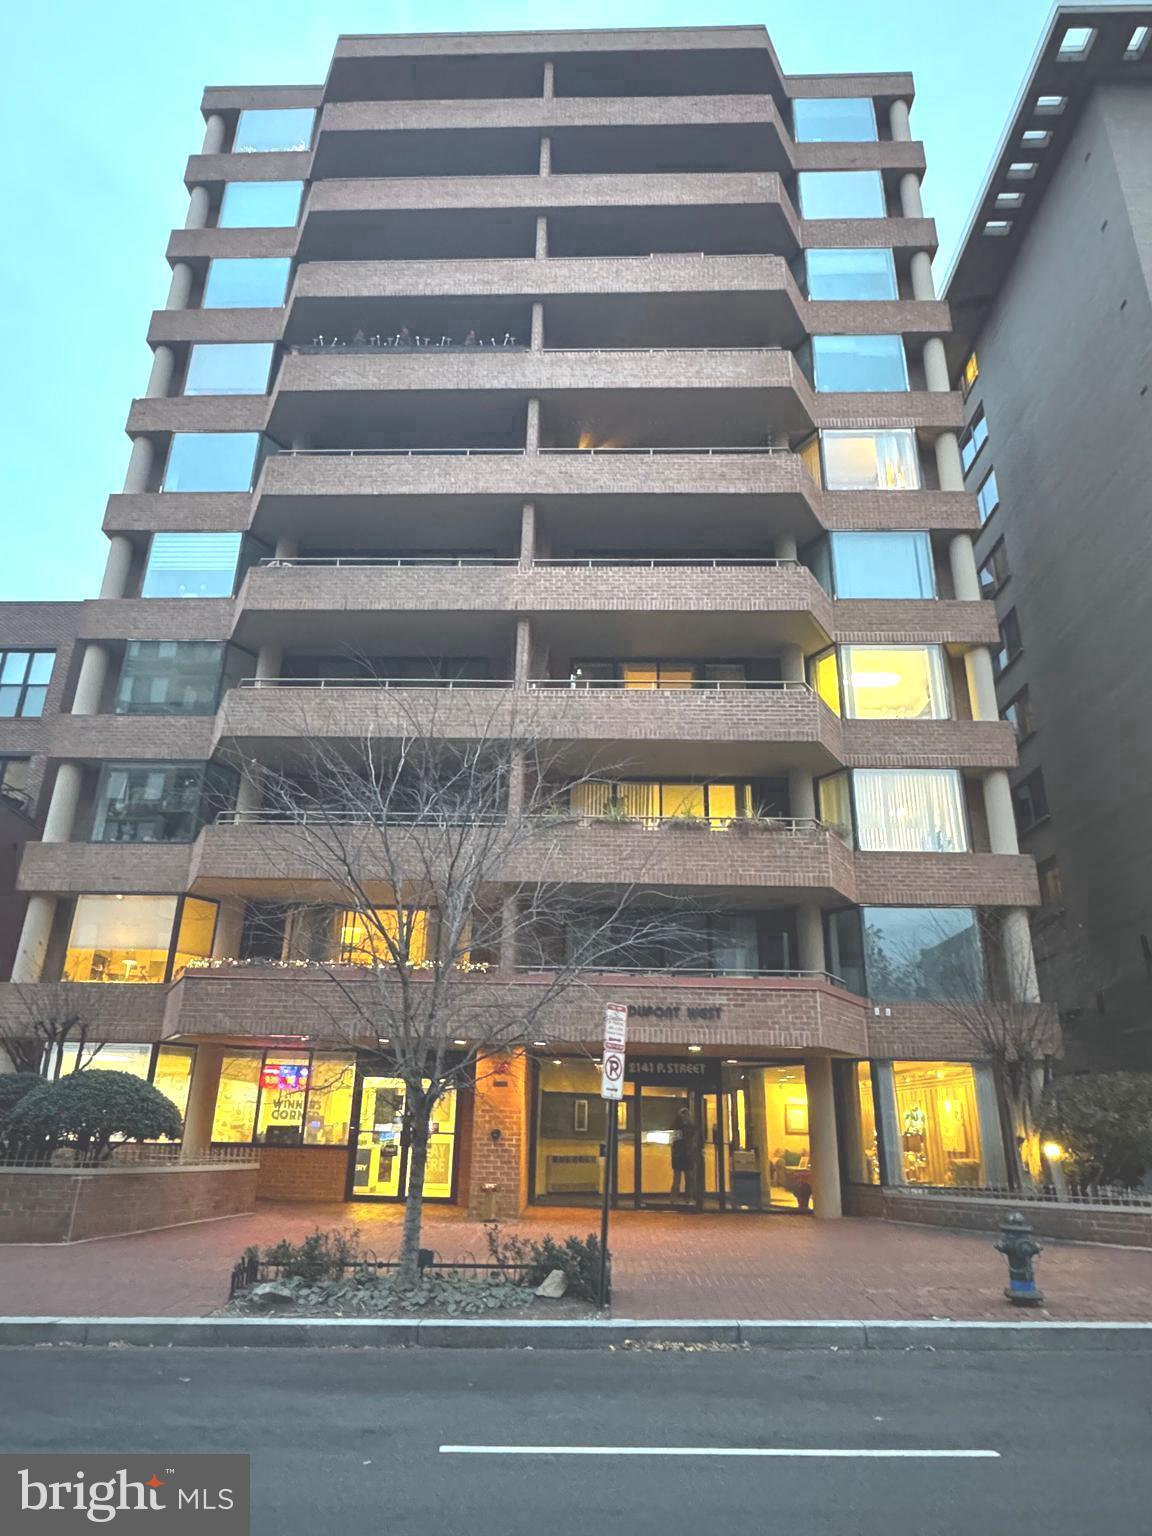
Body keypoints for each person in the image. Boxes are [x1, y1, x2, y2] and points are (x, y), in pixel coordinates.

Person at [670, 1105, 702, 1205]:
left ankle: (678, 1198)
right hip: (684, 1155)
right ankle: (684, 1199)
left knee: (683, 1178)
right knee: (685, 1178)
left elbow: (674, 1141)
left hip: (682, 1155)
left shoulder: (678, 1127)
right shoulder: (691, 1128)